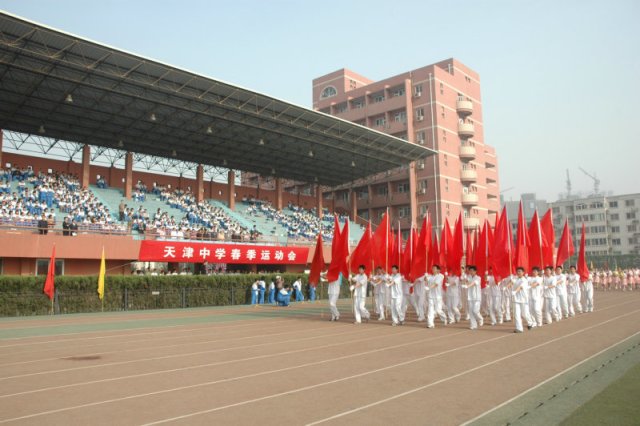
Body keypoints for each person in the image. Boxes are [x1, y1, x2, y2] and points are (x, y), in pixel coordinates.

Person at [511, 267, 535, 333]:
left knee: (524, 314)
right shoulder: (515, 279)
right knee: (517, 314)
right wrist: (510, 281)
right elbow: (511, 283)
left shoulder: (524, 280)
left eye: (520, 271)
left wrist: (515, 292)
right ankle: (519, 328)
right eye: (517, 271)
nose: (519, 272)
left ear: (523, 272)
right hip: (516, 299)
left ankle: (530, 322)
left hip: (523, 299)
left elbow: (520, 287)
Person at [462, 265, 483, 330]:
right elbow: (466, 281)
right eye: (469, 271)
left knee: (475, 311)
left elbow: (474, 283)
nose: (470, 272)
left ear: (475, 271)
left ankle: (480, 318)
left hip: (477, 297)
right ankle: (473, 325)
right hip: (470, 297)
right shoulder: (468, 277)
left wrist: (467, 286)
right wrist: (464, 278)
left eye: (472, 271)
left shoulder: (478, 278)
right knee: (471, 311)